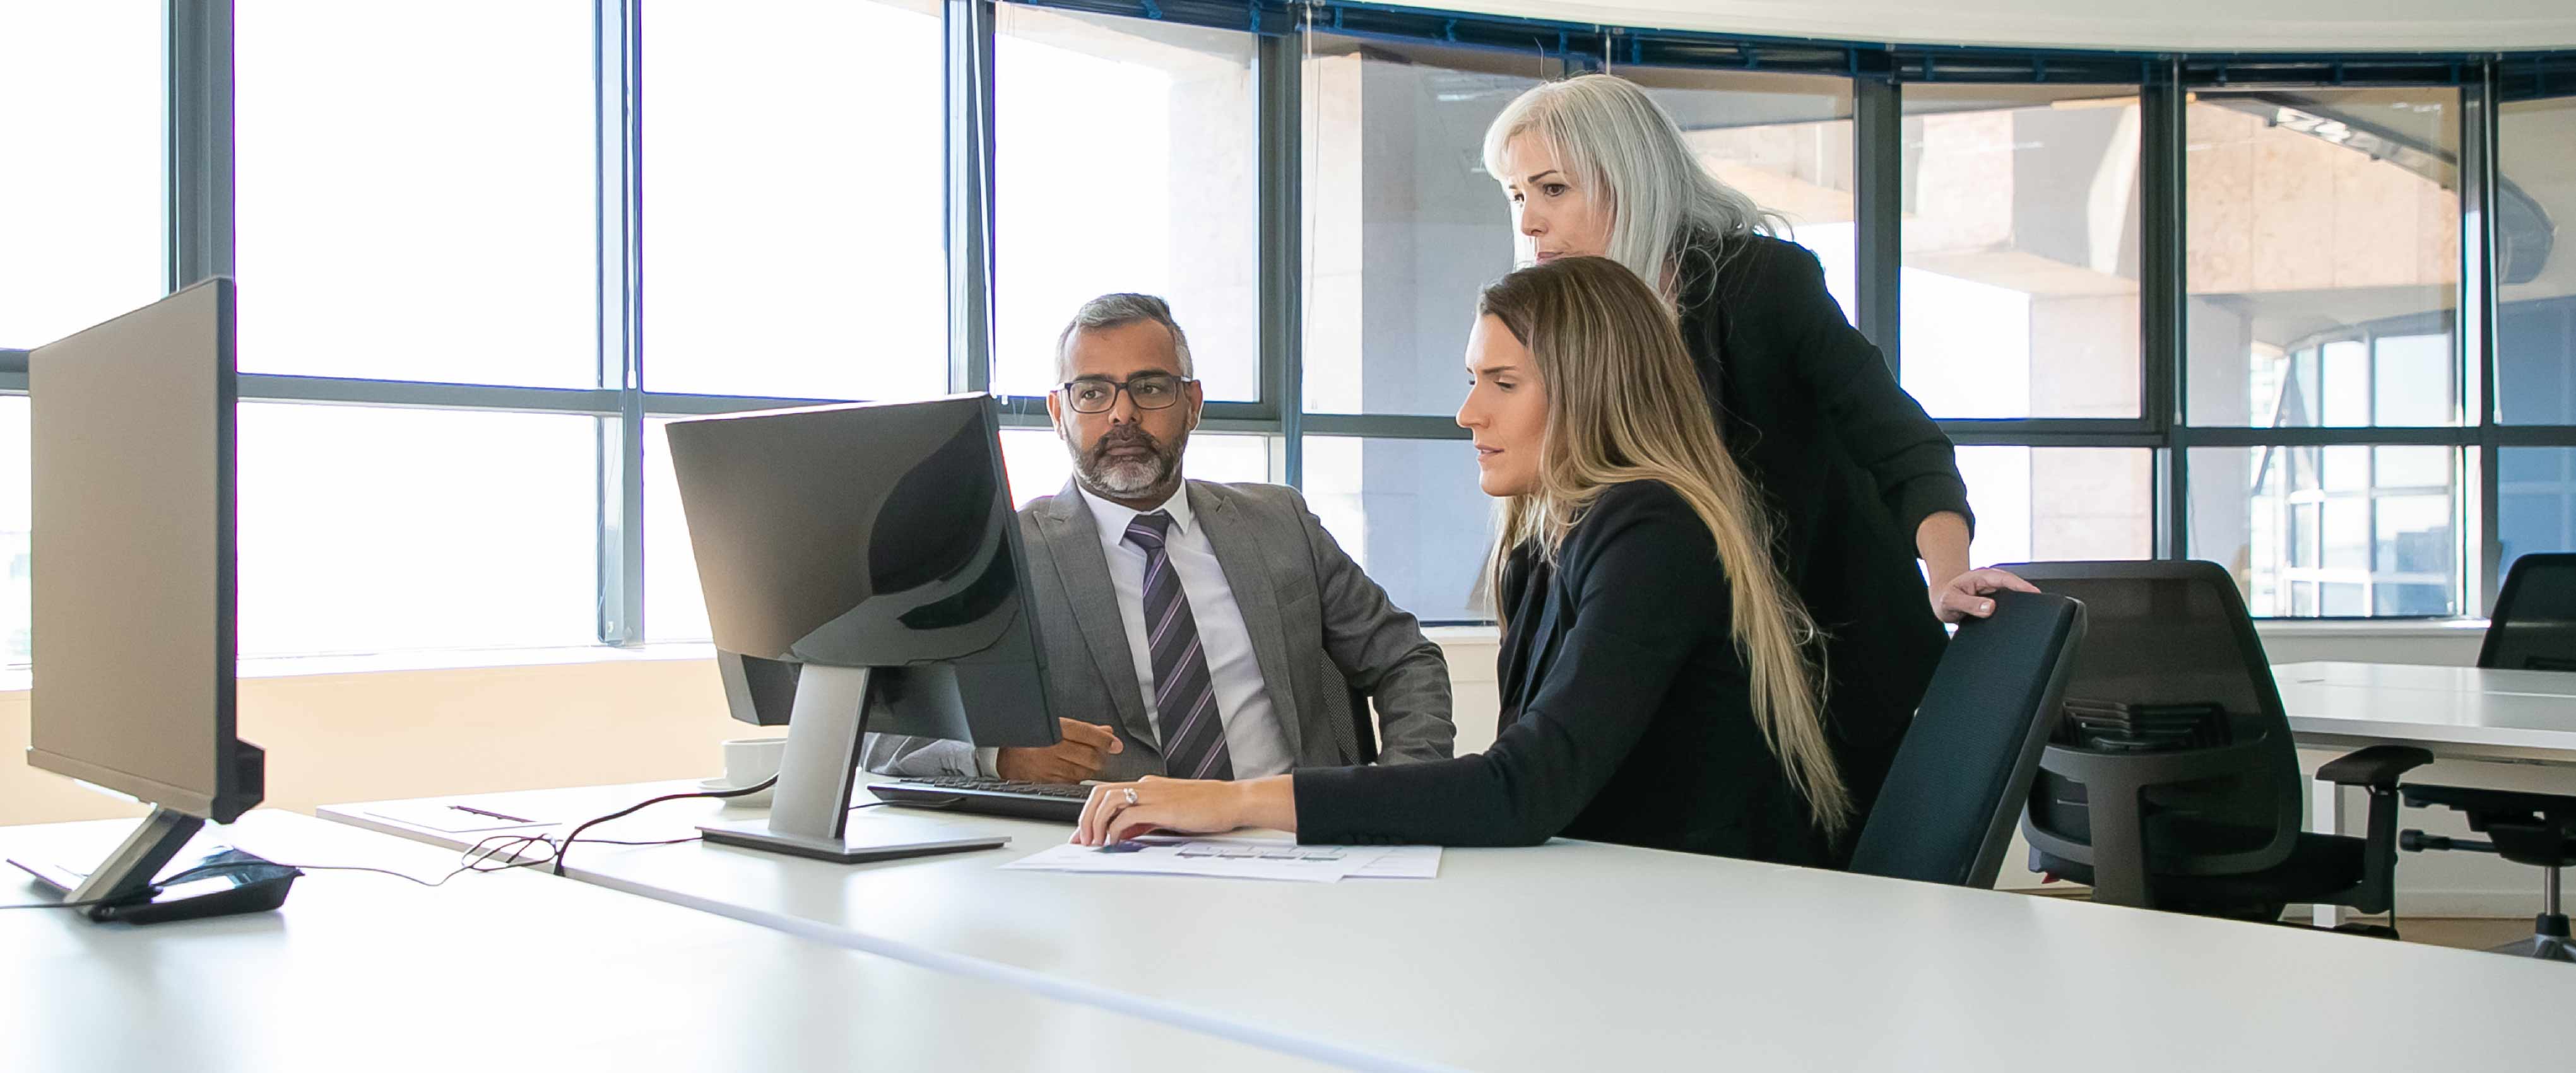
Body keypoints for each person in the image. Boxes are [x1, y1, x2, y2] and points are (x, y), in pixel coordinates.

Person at [1073, 257, 1850, 864]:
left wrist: (1233, 802)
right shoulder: (1543, 546)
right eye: (1472, 380)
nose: (1466, 412)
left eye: (1502, 384)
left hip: (1712, 927)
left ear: (1590, 390)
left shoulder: (1654, 532)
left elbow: (1521, 790)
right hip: (1610, 896)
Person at [1480, 73, 2035, 822]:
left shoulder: (1760, 284)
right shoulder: (1578, 329)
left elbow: (1900, 442)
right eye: (1517, 196)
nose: (1530, 224)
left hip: (1826, 657)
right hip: (1702, 665)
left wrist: (1946, 575)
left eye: (1551, 190)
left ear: (1630, 179)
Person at [865, 293, 1455, 783]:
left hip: (1295, 843)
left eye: (1150, 388)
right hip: (1110, 869)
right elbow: (886, 743)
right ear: (1058, 412)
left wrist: (1395, 794)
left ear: (1192, 404)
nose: (1123, 414)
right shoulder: (1004, 557)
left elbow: (1407, 659)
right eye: (1092, 392)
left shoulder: (1282, 521)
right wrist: (1000, 759)